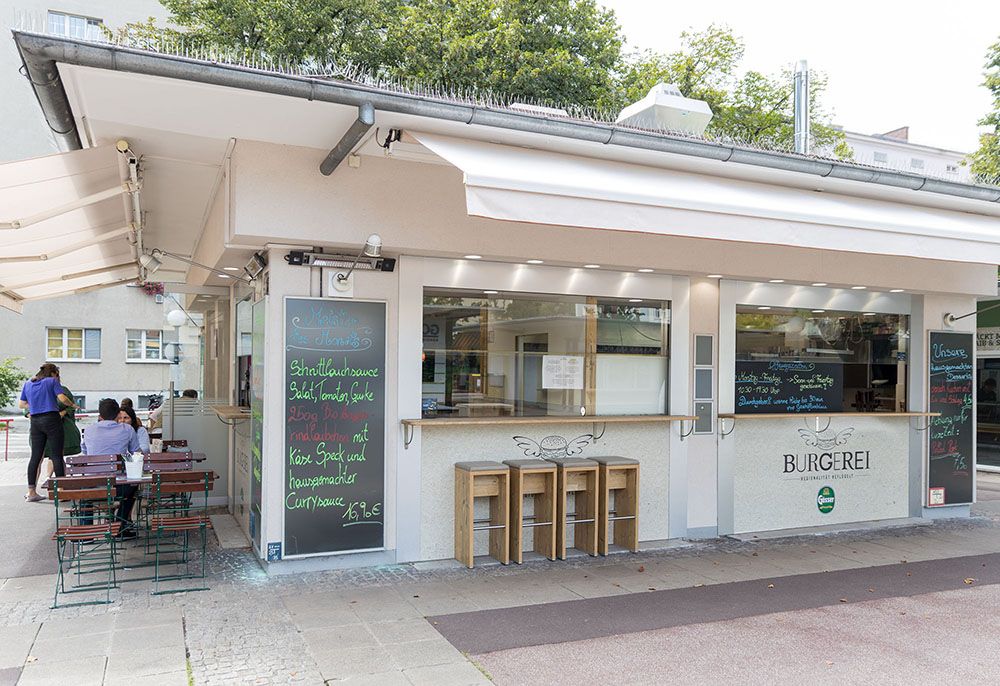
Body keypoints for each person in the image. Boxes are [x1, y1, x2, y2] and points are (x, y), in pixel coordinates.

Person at [18, 363, 79, 503]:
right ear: (53, 373)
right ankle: (61, 491)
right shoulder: (52, 381)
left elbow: (21, 404)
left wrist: (36, 404)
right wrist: (72, 405)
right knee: (57, 455)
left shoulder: (28, 383)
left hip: (35, 422)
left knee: (35, 456)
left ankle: (31, 492)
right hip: (52, 419)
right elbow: (63, 399)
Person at [82, 398, 140, 537]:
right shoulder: (127, 429)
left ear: (100, 415)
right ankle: (121, 527)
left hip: (93, 484)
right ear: (117, 415)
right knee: (132, 488)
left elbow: (85, 451)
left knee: (86, 494)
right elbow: (135, 453)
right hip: (118, 485)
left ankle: (86, 533)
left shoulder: (89, 430)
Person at [39, 386, 81, 487]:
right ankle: (56, 482)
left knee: (56, 455)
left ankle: (54, 481)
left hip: (61, 427)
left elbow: (71, 406)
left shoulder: (63, 390)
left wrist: (63, 413)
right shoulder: (40, 390)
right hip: (47, 427)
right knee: (55, 455)